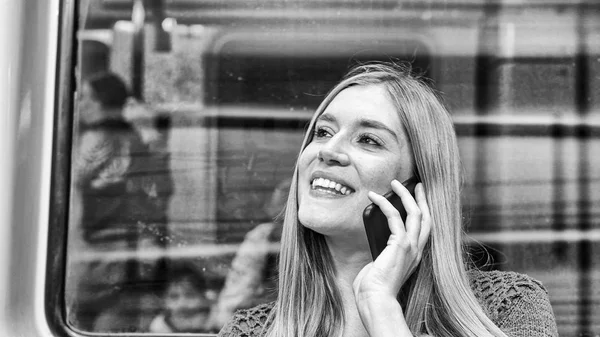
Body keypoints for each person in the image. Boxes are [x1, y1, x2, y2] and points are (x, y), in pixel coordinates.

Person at [217, 63, 558, 337]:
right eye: (322, 132)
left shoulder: (509, 307)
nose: (329, 150)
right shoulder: (248, 331)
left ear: (416, 188)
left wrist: (380, 307)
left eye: (368, 140)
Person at [149, 264, 217, 333]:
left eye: (190, 295)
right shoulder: (160, 326)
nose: (182, 303)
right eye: (174, 297)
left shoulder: (215, 319)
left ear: (204, 297)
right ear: (164, 300)